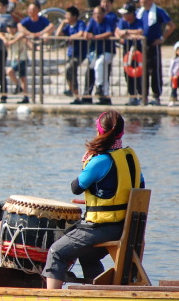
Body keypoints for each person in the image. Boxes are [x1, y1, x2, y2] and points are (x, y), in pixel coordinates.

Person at [42, 110, 144, 289]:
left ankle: (51, 300)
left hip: (103, 228)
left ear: (99, 131)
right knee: (88, 255)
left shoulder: (100, 160)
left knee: (57, 252)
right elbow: (138, 187)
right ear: (122, 132)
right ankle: (98, 293)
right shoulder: (130, 158)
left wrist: (88, 162)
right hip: (126, 227)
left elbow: (76, 187)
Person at [138, 0, 176, 105]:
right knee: (142, 71)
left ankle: (156, 95)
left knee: (155, 70)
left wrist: (162, 38)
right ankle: (143, 95)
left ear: (149, 1)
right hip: (141, 45)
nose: (141, 2)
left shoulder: (158, 11)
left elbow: (171, 25)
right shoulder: (139, 12)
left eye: (143, 0)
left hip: (153, 44)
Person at [84, 6, 116, 105]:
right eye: (94, 14)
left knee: (99, 64)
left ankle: (99, 86)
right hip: (95, 52)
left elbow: (109, 33)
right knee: (99, 70)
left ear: (103, 14)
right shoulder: (92, 21)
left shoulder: (108, 21)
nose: (96, 16)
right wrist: (88, 35)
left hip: (107, 51)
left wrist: (95, 37)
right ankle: (105, 96)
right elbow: (86, 33)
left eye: (98, 13)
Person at [56, 6, 88, 104]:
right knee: (69, 72)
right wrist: (62, 23)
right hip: (71, 54)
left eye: (68, 15)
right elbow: (58, 34)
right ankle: (74, 93)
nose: (66, 17)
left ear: (74, 16)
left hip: (79, 54)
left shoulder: (80, 23)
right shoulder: (68, 26)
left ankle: (74, 93)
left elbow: (81, 33)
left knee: (70, 69)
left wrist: (72, 37)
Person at [115, 2, 145, 106]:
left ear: (132, 14)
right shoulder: (122, 21)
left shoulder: (138, 21)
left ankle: (141, 96)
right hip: (126, 49)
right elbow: (118, 32)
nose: (123, 15)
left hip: (138, 49)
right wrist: (128, 33)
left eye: (126, 13)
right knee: (128, 73)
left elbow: (140, 31)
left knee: (138, 73)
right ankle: (132, 96)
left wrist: (126, 32)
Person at [0, 23, 28, 99]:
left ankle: (19, 87)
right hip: (14, 58)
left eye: (12, 28)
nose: (11, 30)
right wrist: (4, 39)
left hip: (22, 58)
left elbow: (23, 34)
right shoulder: (8, 35)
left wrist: (12, 41)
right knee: (22, 77)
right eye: (9, 28)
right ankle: (24, 95)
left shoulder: (18, 34)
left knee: (10, 71)